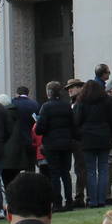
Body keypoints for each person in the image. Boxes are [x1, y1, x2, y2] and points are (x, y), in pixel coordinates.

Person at [74, 79, 112, 209]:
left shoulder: (81, 102)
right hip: (104, 137)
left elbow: (76, 121)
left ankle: (93, 200)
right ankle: (102, 198)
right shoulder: (108, 101)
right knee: (104, 169)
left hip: (87, 138)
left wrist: (79, 135)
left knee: (90, 170)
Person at [36, 81, 77, 210]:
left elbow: (40, 129)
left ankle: (57, 202)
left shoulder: (46, 107)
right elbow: (73, 125)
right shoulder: (67, 106)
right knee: (66, 173)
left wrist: (38, 124)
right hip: (66, 143)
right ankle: (69, 201)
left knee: (54, 174)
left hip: (51, 144)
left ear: (49, 93)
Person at [4, 85, 40, 186]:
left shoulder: (13, 103)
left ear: (17, 93)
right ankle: (31, 188)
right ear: (27, 94)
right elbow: (37, 122)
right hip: (30, 141)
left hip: (17, 142)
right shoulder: (34, 104)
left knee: (16, 169)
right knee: (30, 168)